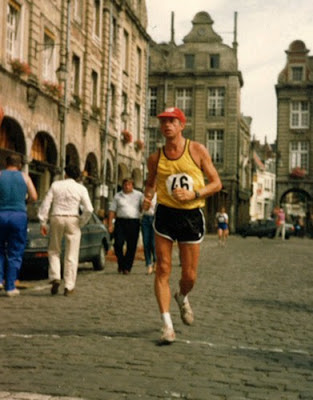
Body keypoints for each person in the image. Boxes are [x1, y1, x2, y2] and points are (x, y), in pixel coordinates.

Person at [142, 107, 222, 344]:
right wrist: (147, 198)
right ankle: (167, 325)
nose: (167, 125)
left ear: (182, 125)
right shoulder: (155, 158)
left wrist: (195, 193)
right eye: (164, 121)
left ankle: (182, 296)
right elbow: (150, 184)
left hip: (191, 216)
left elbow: (216, 183)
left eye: (172, 121)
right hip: (165, 215)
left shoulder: (197, 150)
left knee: (189, 275)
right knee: (163, 269)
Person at [38, 165, 93, 296]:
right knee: (72, 253)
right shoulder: (81, 188)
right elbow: (89, 209)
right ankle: (69, 285)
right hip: (72, 218)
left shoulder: (56, 185)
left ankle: (55, 276)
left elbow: (46, 203)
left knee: (54, 250)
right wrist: (81, 221)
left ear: (65, 174)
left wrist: (43, 221)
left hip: (56, 217)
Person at [0, 152, 38, 296]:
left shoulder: (0, 175)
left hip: (1, 214)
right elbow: (34, 196)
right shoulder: (25, 177)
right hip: (18, 215)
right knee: (15, 251)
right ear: (20, 165)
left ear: (6, 163)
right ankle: (10, 286)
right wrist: (24, 202)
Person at [108, 177, 142, 275]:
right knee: (118, 244)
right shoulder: (118, 196)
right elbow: (112, 210)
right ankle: (121, 262)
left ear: (132, 185)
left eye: (129, 184)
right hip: (120, 222)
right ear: (122, 185)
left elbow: (143, 207)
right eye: (125, 185)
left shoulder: (139, 195)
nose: (127, 187)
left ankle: (127, 267)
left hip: (133, 222)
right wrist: (110, 224)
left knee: (131, 246)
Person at [141, 191, 157, 275]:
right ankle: (148, 264)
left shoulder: (159, 196)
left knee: (153, 243)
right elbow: (141, 209)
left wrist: (152, 205)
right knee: (146, 242)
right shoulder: (143, 196)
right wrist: (145, 205)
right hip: (145, 219)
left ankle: (155, 261)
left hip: (155, 219)